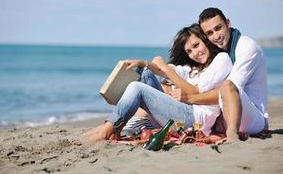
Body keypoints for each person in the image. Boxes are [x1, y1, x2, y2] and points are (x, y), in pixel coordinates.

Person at [84, 23, 232, 142]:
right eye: (189, 51)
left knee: (137, 88)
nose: (195, 53)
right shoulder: (193, 68)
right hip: (181, 112)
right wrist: (143, 63)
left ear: (205, 40)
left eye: (196, 45)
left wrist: (166, 70)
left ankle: (111, 127)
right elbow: (162, 69)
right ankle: (116, 117)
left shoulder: (221, 60)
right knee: (145, 72)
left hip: (194, 120)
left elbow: (194, 91)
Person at [182, 8, 268, 143]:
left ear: (228, 23)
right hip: (227, 112)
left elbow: (232, 89)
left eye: (218, 28)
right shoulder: (220, 51)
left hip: (254, 118)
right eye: (209, 33)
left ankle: (232, 135)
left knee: (228, 85)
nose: (216, 36)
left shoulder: (247, 47)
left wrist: (191, 98)